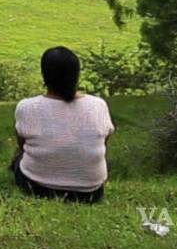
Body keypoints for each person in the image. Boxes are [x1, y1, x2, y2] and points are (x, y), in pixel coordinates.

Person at [11, 46, 114, 204]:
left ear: (44, 75)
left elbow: (22, 144)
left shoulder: (27, 107)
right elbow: (103, 142)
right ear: (77, 74)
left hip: (38, 186)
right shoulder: (98, 105)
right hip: (91, 193)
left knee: (17, 159)